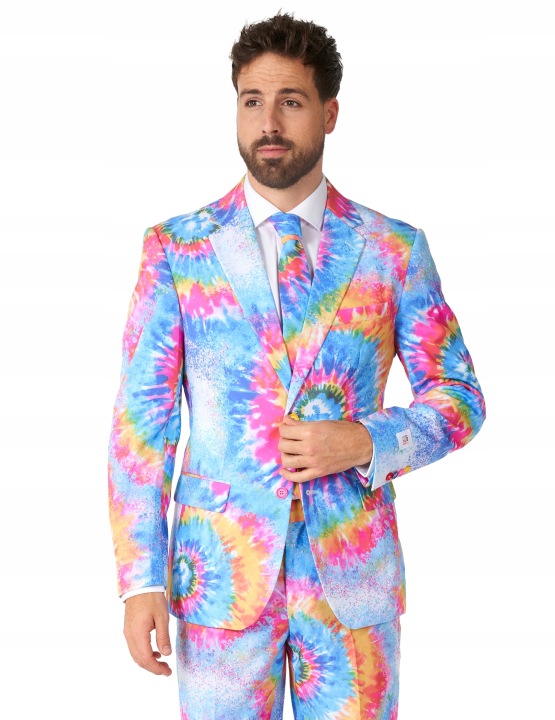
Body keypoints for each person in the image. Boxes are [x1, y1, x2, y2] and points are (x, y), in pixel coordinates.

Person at [108, 12, 486, 720]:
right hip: (219, 576)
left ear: (329, 113)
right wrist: (140, 580)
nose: (269, 122)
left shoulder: (392, 249)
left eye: (291, 101)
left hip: (352, 579)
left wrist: (366, 439)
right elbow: (141, 427)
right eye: (252, 101)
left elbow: (460, 397)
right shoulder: (178, 249)